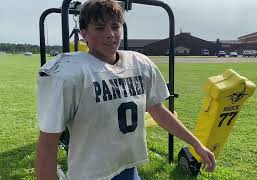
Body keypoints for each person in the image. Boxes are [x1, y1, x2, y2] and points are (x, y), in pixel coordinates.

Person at [35, 0, 216, 179]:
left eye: (115, 26)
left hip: (128, 168)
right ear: (84, 34)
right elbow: (47, 144)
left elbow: (158, 110)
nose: (110, 34)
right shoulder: (69, 73)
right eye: (99, 28)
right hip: (91, 173)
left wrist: (196, 143)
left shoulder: (139, 64)